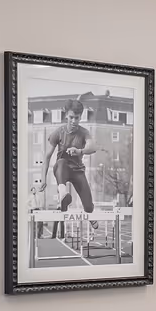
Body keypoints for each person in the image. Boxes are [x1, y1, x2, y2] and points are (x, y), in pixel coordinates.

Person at [41, 98, 97, 239]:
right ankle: (63, 193)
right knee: (60, 162)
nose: (73, 121)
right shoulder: (58, 132)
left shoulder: (84, 132)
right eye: (71, 117)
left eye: (76, 118)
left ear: (80, 117)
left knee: (89, 207)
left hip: (78, 171)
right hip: (62, 170)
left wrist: (80, 151)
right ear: (66, 115)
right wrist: (43, 179)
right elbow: (47, 156)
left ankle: (89, 214)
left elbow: (92, 147)